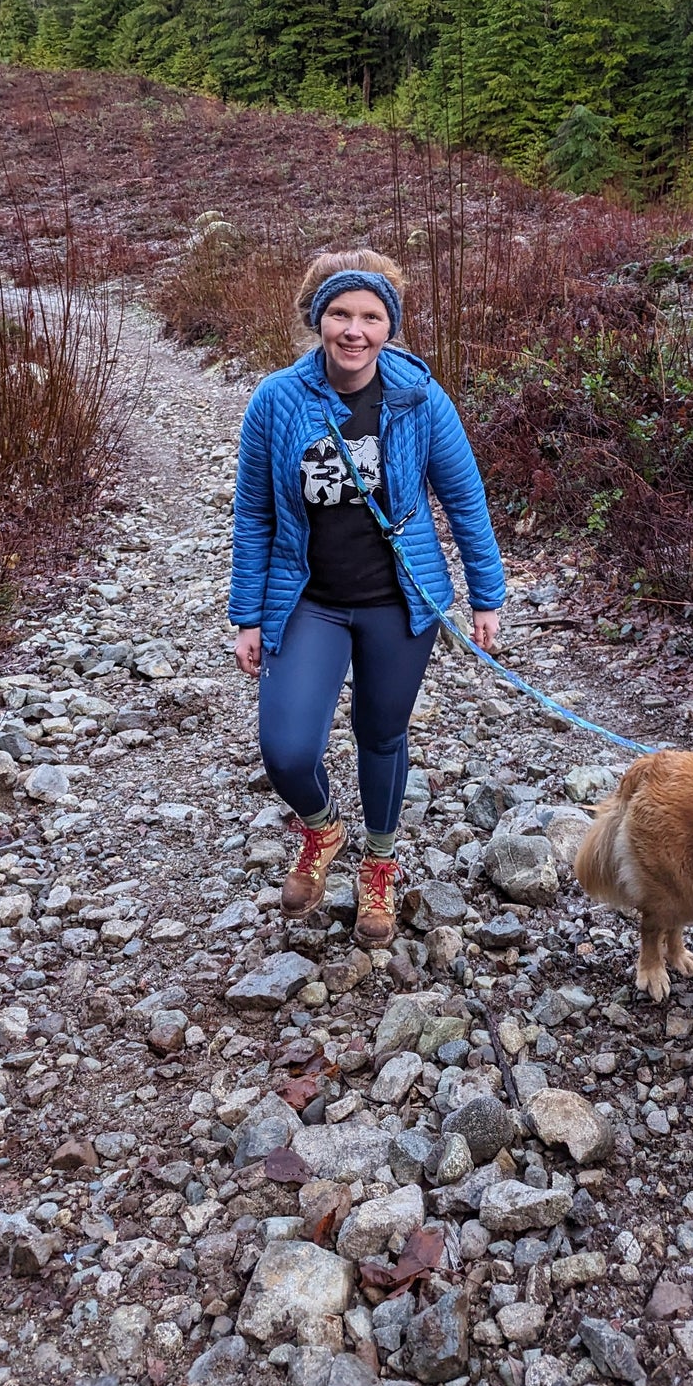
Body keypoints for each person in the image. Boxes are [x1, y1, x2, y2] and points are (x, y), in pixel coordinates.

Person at [228, 249, 506, 948]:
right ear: (317, 318)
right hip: (309, 599)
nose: (354, 330)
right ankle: (322, 830)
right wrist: (247, 614)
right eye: (341, 313)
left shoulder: (417, 397)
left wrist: (486, 595)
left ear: (390, 325)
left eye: (371, 316)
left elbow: (464, 499)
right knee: (287, 749)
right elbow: (254, 512)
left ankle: (379, 863)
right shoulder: (276, 400)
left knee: (381, 734)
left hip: (398, 602)